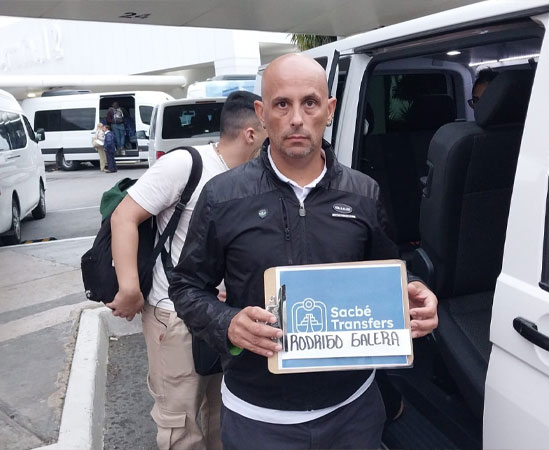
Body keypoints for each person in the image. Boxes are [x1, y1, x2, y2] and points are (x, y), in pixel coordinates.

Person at [169, 53, 439, 450]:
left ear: (329, 110)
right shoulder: (223, 196)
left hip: (353, 409)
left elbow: (387, 268)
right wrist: (226, 323)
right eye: (282, 104)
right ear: (261, 114)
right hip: (258, 417)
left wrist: (414, 289)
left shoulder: (364, 192)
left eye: (309, 103)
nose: (296, 118)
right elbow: (187, 286)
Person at [108, 90, 267, 450]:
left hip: (224, 316)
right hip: (174, 315)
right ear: (251, 133)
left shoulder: (252, 177)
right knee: (179, 422)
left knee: (222, 412)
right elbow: (124, 216)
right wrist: (130, 288)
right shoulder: (186, 165)